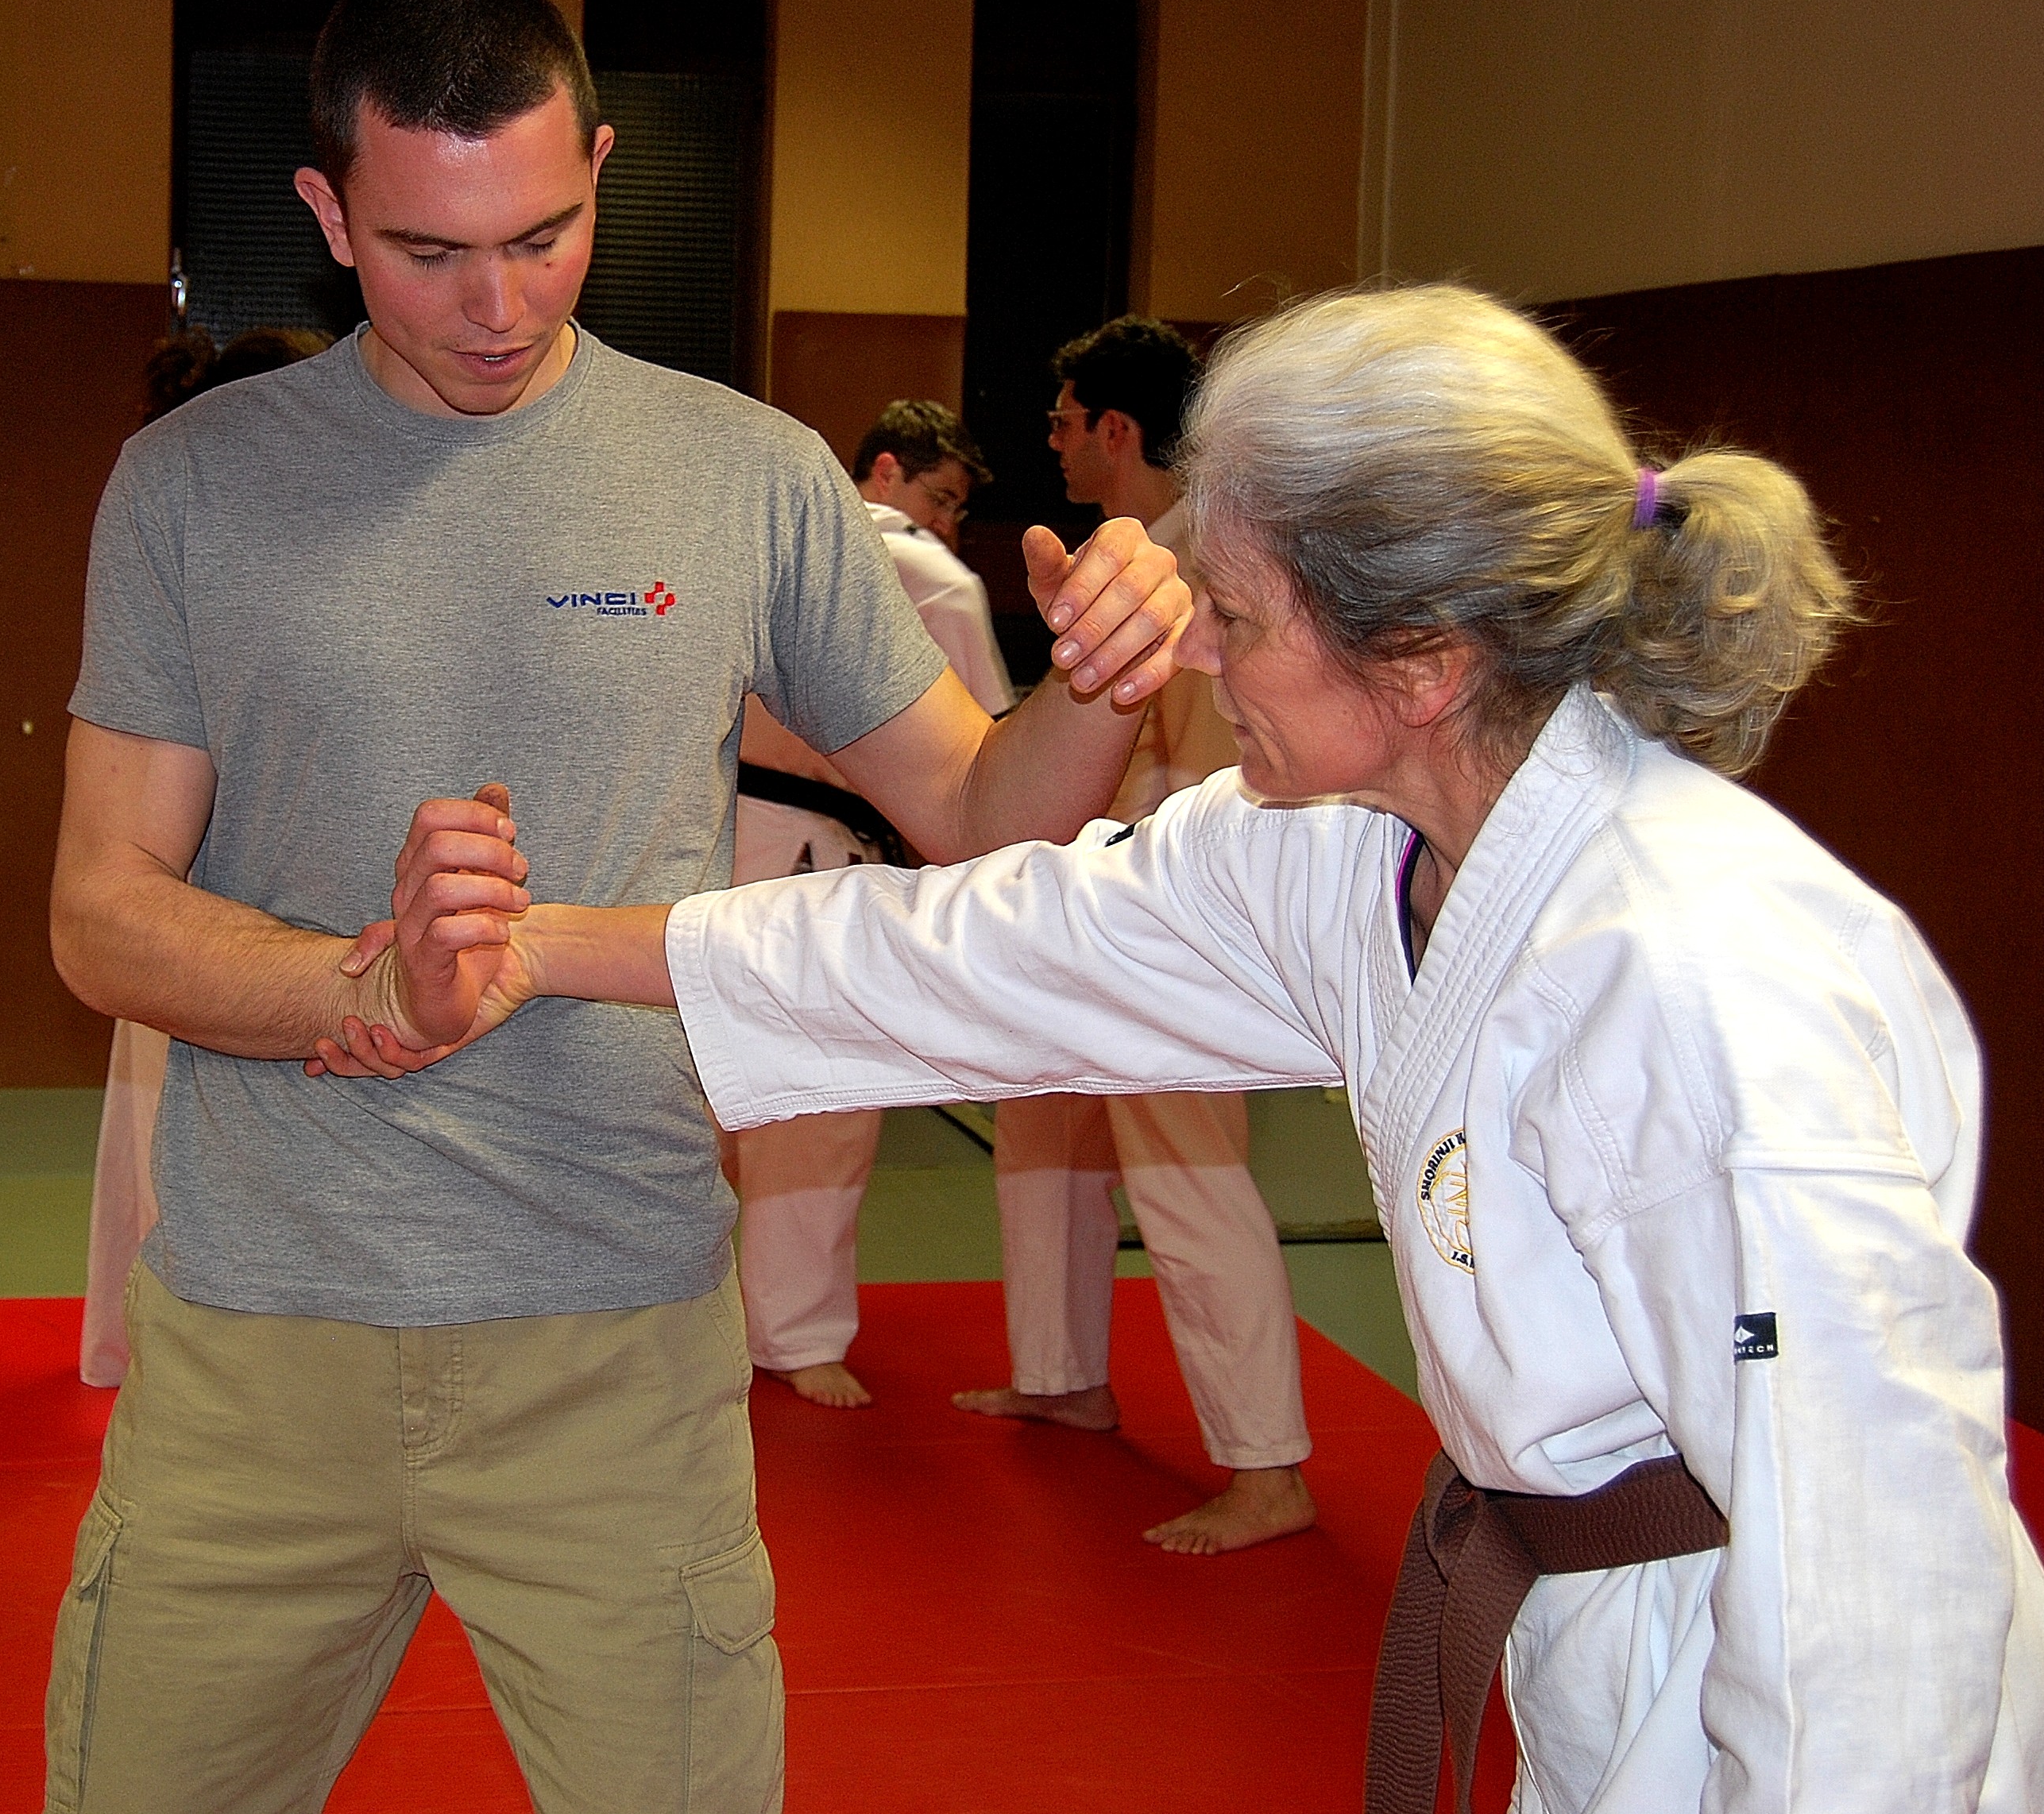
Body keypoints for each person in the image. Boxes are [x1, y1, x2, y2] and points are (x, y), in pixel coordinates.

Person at [349, 282, 2043, 1814]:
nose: (1197, 655)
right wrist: (549, 947)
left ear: (1418, 658)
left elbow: (1871, 1589)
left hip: (1780, 1696)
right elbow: (975, 950)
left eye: (1232, 612)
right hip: (1597, 1652)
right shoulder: (1349, 848)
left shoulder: (1689, 974)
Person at [41, 0, 1188, 1813]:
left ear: (597, 167)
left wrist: (1101, 683)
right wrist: (364, 988)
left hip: (614, 1336)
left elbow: (982, 810)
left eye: (542, 236)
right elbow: (102, 902)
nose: (496, 306)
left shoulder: (741, 475)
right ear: (327, 210)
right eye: (426, 252)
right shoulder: (192, 486)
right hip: (262, 1339)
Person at [953, 317, 1318, 1556]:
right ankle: (1058, 1372)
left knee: (1185, 1168)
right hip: (1085, 892)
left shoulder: (1209, 557)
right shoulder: (1129, 556)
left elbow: (1210, 760)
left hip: (1178, 909)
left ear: (1115, 427)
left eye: (1063, 421)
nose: (1051, 442)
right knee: (1038, 1120)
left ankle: (1266, 1465)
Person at [727, 398, 1013, 1408]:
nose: (945, 522)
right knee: (820, 1103)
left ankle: (684, 1308)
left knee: (696, 1090)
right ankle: (793, 1331)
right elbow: (987, 750)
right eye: (940, 496)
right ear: (883, 471)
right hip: (818, 859)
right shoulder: (932, 577)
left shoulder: (761, 533)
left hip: (709, 841)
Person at [81, 326, 332, 1390]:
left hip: (298, 935)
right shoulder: (174, 532)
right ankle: (177, 1357)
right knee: (182, 1176)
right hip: (198, 935)